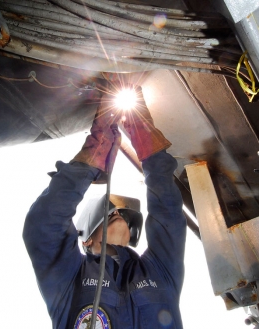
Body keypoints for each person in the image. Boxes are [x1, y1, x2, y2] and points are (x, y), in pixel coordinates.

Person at [23, 86, 187, 329]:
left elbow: (167, 214)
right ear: (85, 240)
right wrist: (94, 154)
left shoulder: (158, 270)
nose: (118, 213)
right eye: (109, 213)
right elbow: (44, 224)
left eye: (119, 212)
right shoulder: (69, 278)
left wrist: (144, 138)